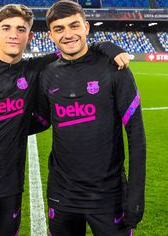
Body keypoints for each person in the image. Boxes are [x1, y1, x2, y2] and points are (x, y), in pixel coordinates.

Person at [0, 4, 130, 236]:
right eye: (6, 28)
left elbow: (74, 47)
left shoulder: (34, 69)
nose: (13, 35)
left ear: (30, 35)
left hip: (9, 191)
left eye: (21, 29)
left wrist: (106, 45)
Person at [32, 1, 146, 236]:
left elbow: (136, 135)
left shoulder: (115, 68)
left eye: (74, 26)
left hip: (108, 196)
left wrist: (135, 194)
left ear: (86, 26)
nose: (68, 34)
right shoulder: (47, 73)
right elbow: (41, 120)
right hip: (62, 194)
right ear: (50, 35)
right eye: (59, 29)